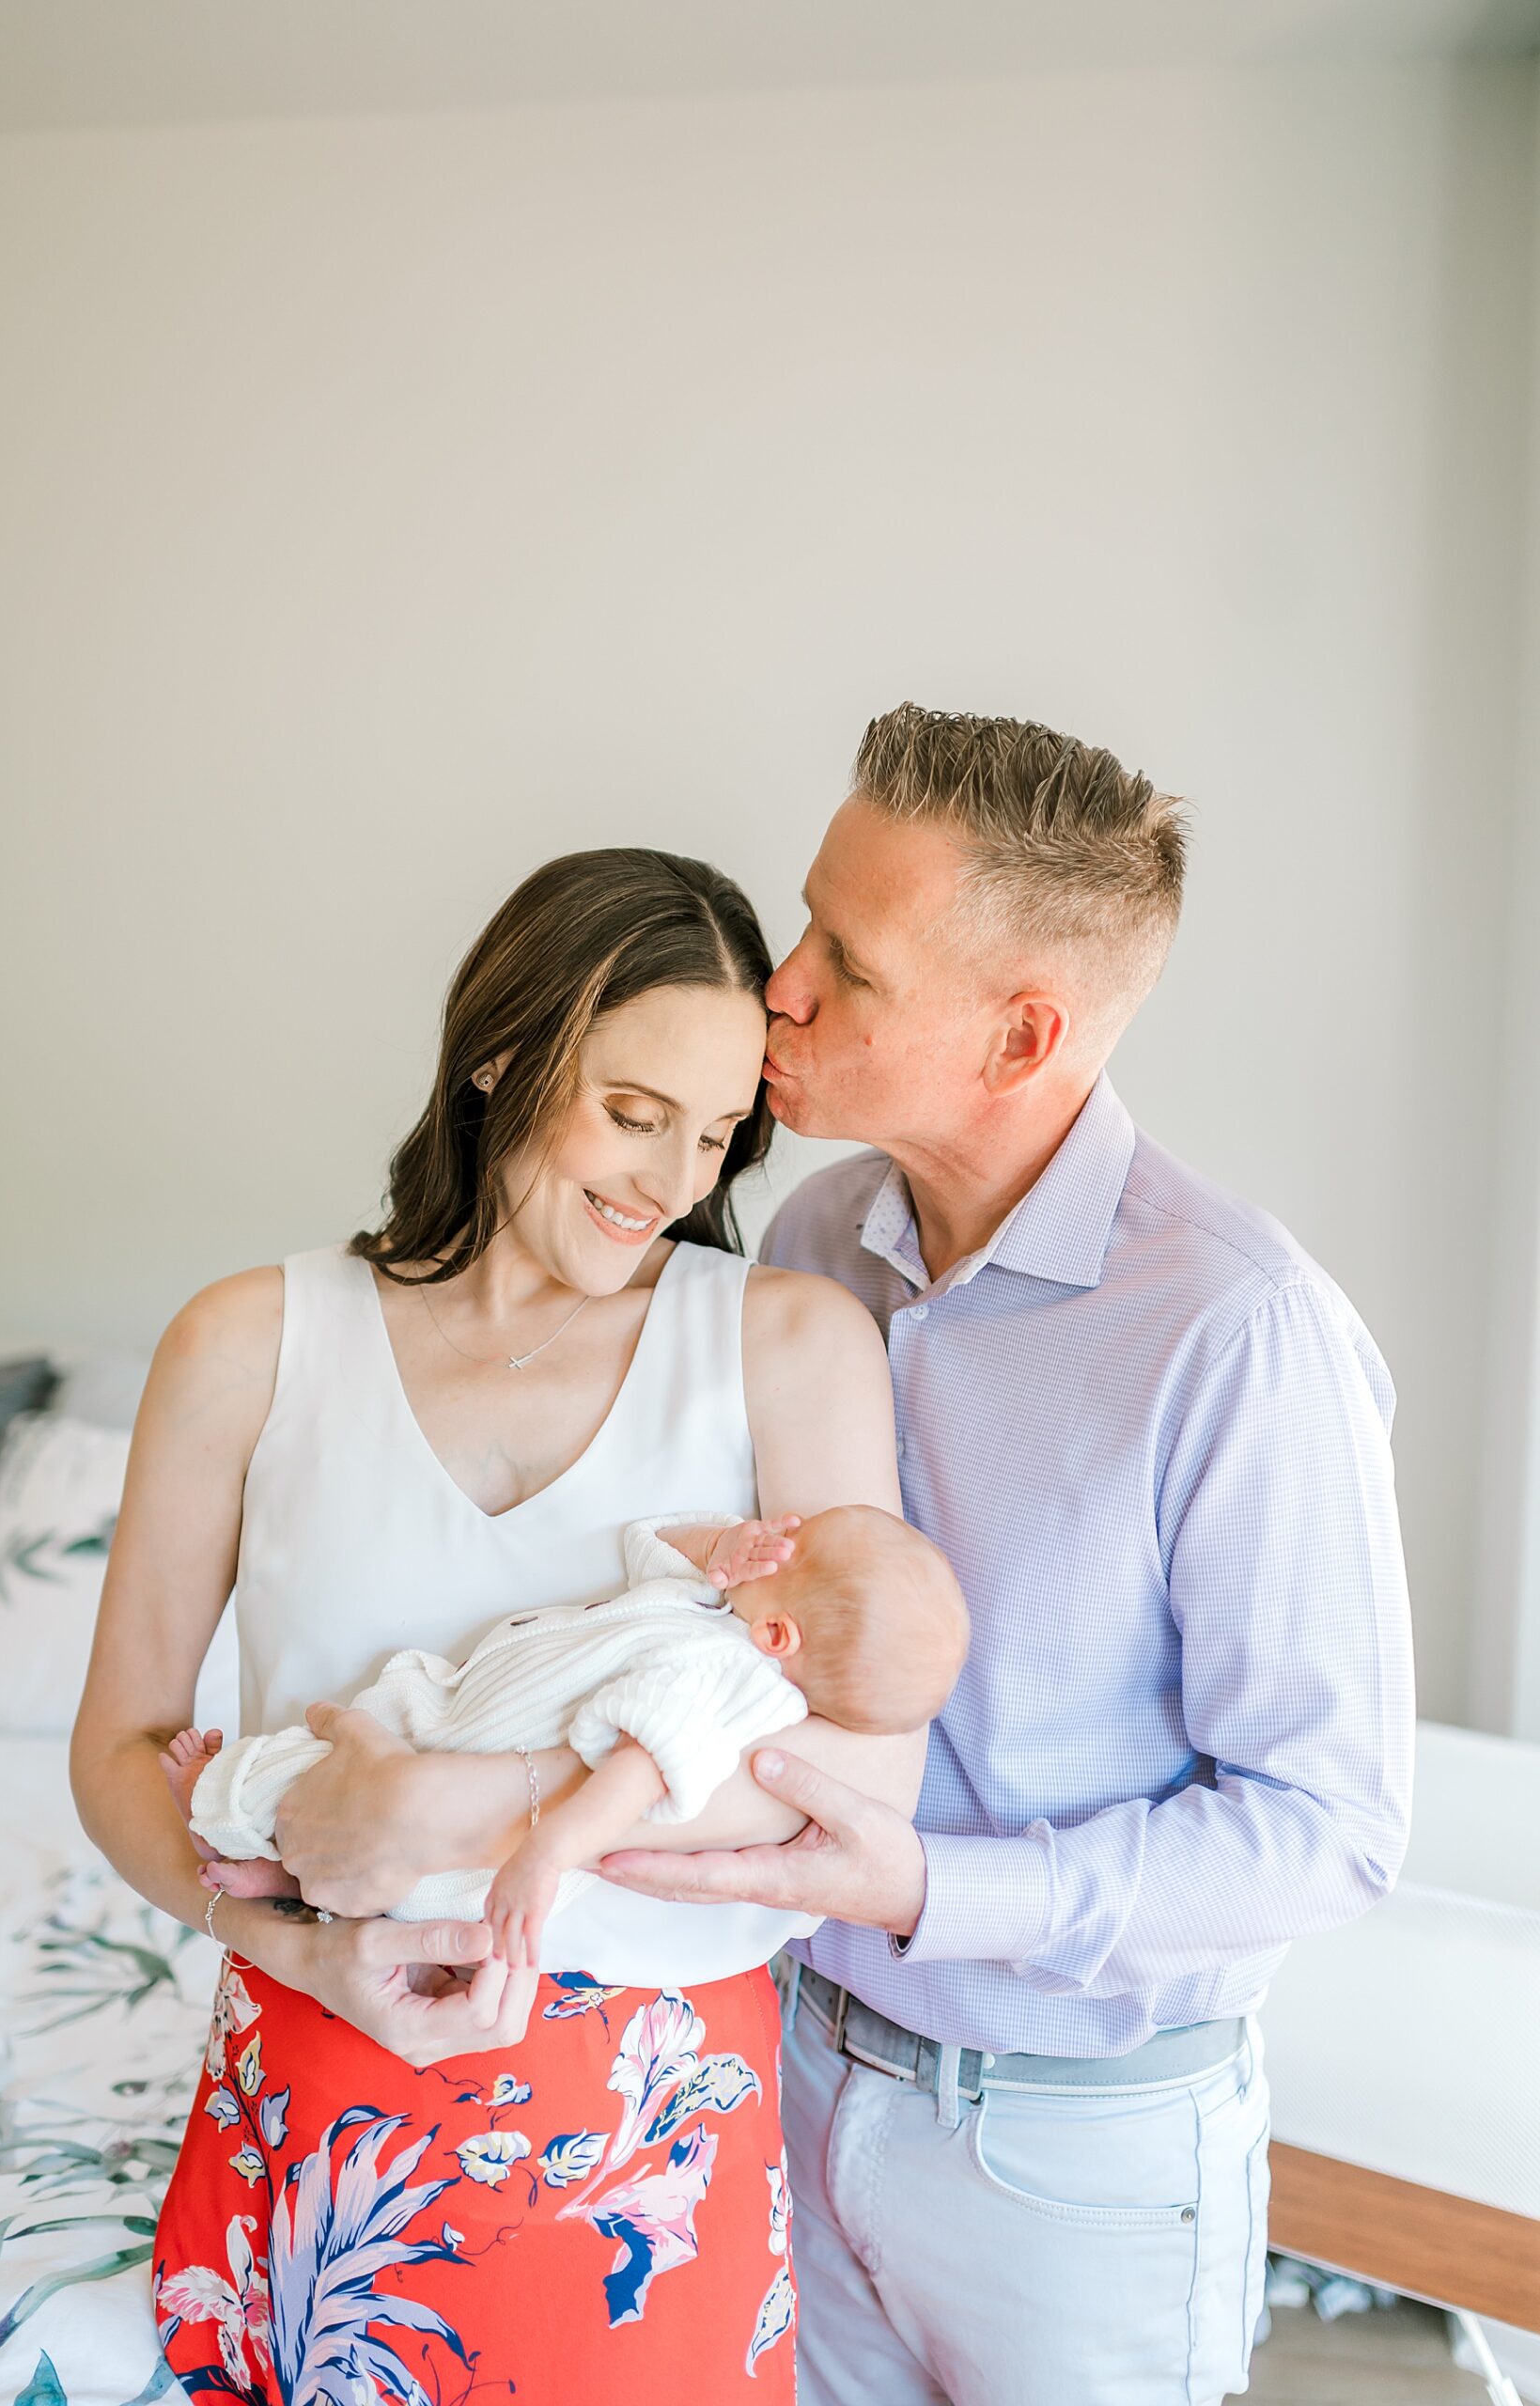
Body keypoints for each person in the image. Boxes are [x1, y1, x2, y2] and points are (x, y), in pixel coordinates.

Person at [600, 707, 1416, 2406]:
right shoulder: (817, 1237)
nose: (780, 985)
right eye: (801, 919)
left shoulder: (1236, 1336)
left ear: (1017, 1034)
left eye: (851, 962)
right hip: (796, 2075)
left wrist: (930, 1894)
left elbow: (1325, 1833)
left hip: (1075, 2166)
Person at [70, 846, 927, 2403]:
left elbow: (858, 1793)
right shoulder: (249, 1342)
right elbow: (120, 1746)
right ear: (498, 1053)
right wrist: (275, 1945)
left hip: (640, 2164)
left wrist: (482, 1805)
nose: (668, 1183)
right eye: (629, 1113)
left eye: (716, 1135)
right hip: (314, 2099)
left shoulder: (785, 1348)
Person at [159, 1502, 968, 1966]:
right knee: (350, 1789)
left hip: (481, 1778)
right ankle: (279, 1876)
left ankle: (219, 1799)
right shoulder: (711, 1616)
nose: (769, 1535)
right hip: (462, 1721)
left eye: (790, 1547)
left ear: (782, 1637)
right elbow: (651, 1545)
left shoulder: (727, 1679)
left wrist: (544, 1857)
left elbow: (634, 1776)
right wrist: (721, 1548)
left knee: (315, 1780)